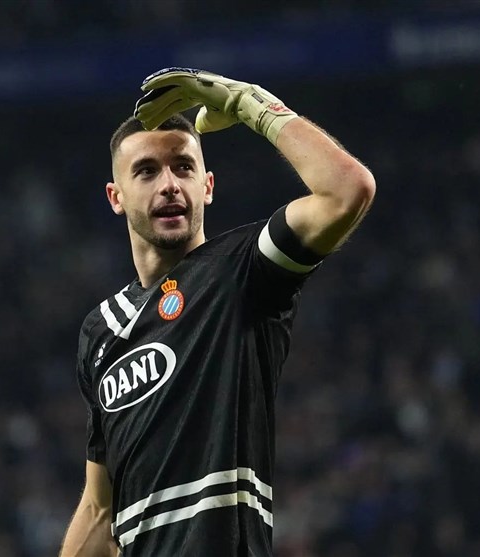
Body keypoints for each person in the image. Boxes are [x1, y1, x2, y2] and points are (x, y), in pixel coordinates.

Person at [59, 68, 375, 556]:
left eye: (183, 167)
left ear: (207, 186)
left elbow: (347, 190)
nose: (169, 184)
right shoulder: (100, 330)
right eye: (147, 171)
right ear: (115, 197)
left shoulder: (241, 271)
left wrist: (253, 104)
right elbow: (100, 509)